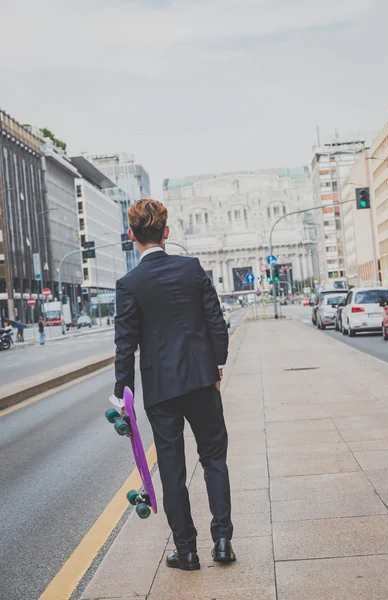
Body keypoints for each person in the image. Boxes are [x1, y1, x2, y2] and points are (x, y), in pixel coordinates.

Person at [113, 199, 234, 572]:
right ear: (167, 232)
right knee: (214, 459)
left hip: (161, 389)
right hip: (201, 380)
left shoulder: (129, 284)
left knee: (171, 470)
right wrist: (216, 366)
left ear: (132, 235)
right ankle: (224, 541)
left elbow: (125, 344)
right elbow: (217, 322)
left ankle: (187, 551)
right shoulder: (191, 268)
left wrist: (122, 395)